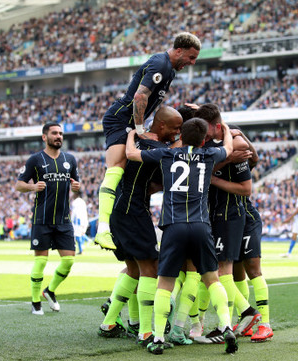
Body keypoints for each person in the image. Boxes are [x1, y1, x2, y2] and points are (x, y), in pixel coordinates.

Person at [125, 118, 238, 355]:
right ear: (203, 139)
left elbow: (131, 153)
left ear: (181, 137)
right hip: (200, 224)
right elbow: (229, 148)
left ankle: (157, 337)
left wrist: (131, 134)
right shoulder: (209, 155)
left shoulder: (166, 154)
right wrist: (225, 129)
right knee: (212, 278)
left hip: (174, 226)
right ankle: (226, 325)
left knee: (165, 283)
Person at [94, 32, 201, 251]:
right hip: (121, 118)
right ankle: (102, 228)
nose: (191, 63)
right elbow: (140, 97)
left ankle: (107, 225)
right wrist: (140, 129)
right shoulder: (161, 63)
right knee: (116, 168)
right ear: (179, 50)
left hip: (129, 121)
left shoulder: (169, 69)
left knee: (121, 170)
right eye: (190, 57)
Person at [98, 106, 183, 346]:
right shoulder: (153, 146)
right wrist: (189, 134)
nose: (177, 133)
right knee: (151, 268)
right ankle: (146, 332)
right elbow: (176, 149)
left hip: (119, 209)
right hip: (132, 211)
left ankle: (110, 323)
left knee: (133, 269)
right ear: (162, 125)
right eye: (175, 128)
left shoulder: (140, 140)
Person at [193, 104, 261, 344]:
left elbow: (246, 188)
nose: (203, 133)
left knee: (222, 272)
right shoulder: (222, 144)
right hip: (216, 214)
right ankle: (239, 317)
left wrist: (211, 179)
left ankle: (232, 322)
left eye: (206, 128)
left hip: (228, 214)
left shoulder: (236, 143)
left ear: (216, 126)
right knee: (216, 271)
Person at [15, 122, 81, 315]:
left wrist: (77, 186)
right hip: (42, 218)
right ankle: (36, 301)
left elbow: (75, 182)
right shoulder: (35, 159)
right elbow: (19, 185)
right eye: (54, 133)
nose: (58, 136)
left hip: (63, 219)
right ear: (45, 137)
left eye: (60, 133)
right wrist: (32, 187)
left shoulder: (70, 159)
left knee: (69, 261)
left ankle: (49, 290)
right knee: (41, 262)